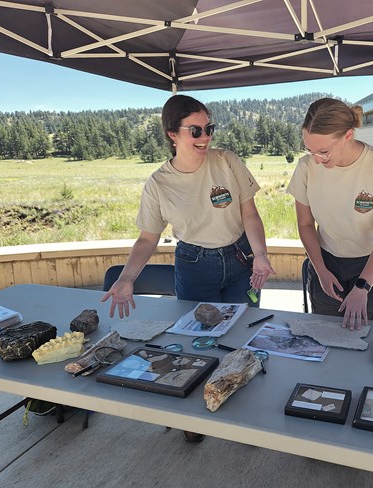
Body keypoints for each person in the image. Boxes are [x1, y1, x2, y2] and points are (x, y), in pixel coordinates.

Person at [102, 94, 275, 441]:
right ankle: (195, 417)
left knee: (243, 334)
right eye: (195, 130)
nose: (205, 137)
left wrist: (261, 254)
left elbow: (249, 213)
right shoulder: (159, 183)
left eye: (209, 128)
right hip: (195, 265)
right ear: (172, 134)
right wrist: (126, 278)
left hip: (241, 260)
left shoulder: (226, 161)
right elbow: (148, 239)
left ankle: (245, 411)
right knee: (198, 342)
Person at [287, 97, 373, 331]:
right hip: (326, 262)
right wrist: (321, 270)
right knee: (324, 340)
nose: (316, 159)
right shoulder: (306, 167)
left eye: (323, 151)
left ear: (348, 136)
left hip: (371, 266)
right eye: (309, 150)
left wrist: (362, 287)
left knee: (365, 343)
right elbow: (305, 224)